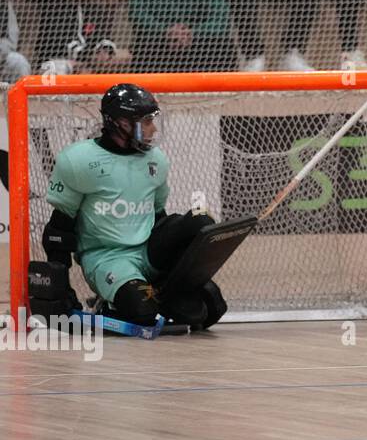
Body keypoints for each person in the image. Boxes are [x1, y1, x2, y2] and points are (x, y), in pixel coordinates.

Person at [40, 84, 228, 330]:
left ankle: (165, 288)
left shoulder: (156, 160)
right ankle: (115, 301)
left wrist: (178, 263)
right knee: (142, 312)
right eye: (146, 121)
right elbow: (58, 231)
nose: (153, 128)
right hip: (107, 257)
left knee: (213, 301)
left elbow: (159, 217)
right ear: (121, 123)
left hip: (147, 249)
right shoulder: (79, 160)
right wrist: (62, 289)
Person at [35, 0, 132, 75]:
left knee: (123, 56)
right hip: (56, 60)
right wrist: (90, 56)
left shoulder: (94, 8)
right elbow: (65, 45)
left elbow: (103, 37)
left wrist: (105, 51)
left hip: (85, 59)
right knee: (81, 70)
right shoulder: (57, 5)